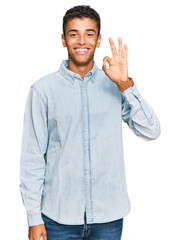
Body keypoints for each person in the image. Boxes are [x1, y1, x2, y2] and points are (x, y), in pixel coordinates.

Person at [19, 5, 161, 240]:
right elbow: (32, 157)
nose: (81, 41)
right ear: (63, 40)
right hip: (58, 219)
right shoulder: (43, 91)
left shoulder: (116, 86)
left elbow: (151, 131)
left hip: (108, 219)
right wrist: (33, 217)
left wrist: (125, 85)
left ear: (98, 39)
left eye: (89, 33)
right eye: (74, 34)